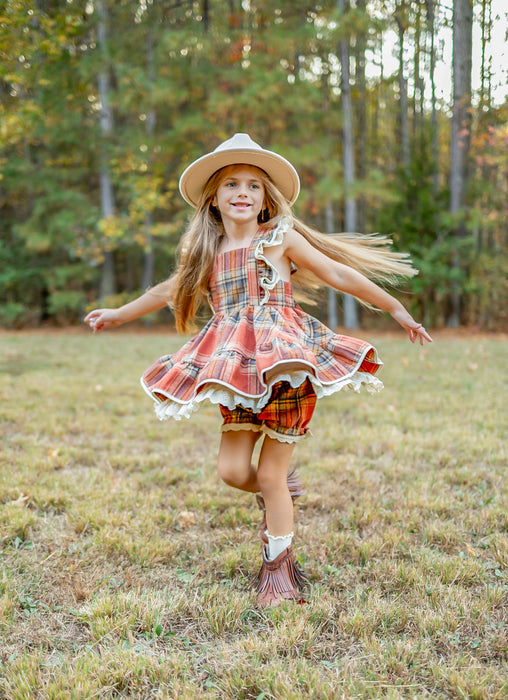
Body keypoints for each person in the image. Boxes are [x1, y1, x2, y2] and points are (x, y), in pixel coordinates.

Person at [85, 133, 432, 608]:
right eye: (231, 184)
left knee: (270, 474)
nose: (242, 192)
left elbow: (339, 274)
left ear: (266, 198)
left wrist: (396, 308)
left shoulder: (280, 239)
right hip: (236, 370)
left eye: (252, 184)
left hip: (287, 361)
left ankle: (278, 568)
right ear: (214, 199)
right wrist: (116, 314)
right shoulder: (205, 252)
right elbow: (165, 291)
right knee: (231, 471)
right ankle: (278, 495)